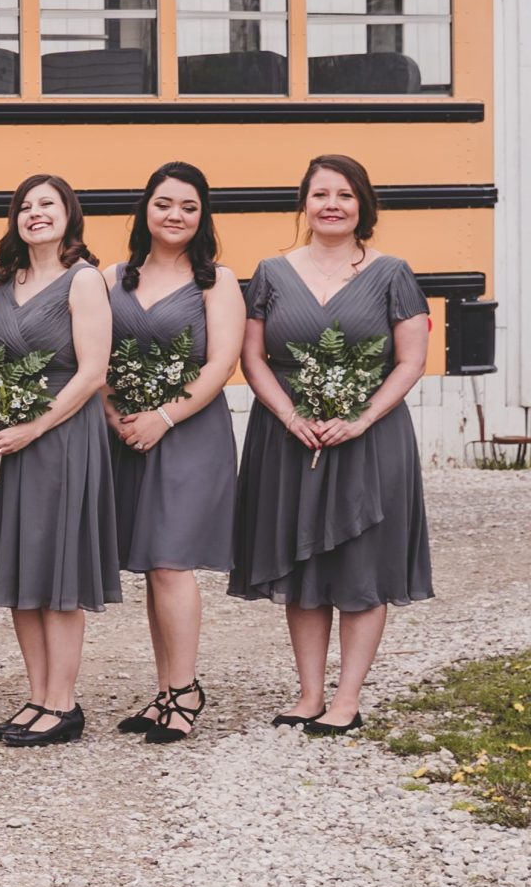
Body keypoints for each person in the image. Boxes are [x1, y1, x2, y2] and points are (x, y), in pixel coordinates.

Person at [230, 154, 433, 736]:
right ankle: (309, 693)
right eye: (321, 194)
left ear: (362, 205)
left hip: (368, 438)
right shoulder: (271, 271)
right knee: (304, 563)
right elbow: (252, 357)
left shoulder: (393, 273)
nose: (332, 205)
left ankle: (347, 698)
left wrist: (361, 419)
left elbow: (411, 360)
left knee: (362, 566)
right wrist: (290, 415)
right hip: (291, 437)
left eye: (344, 195)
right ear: (305, 203)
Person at [0, 174, 119, 748]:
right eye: (25, 206)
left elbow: (93, 373)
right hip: (9, 441)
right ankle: (36, 696)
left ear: (69, 215)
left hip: (61, 438)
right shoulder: (6, 280)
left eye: (47, 205)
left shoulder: (84, 282)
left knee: (58, 570)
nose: (34, 214)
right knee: (21, 568)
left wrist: (33, 425)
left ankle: (64, 703)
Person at [106, 162, 243, 744]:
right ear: (146, 210)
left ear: (202, 216)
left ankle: (186, 692)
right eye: (164, 203)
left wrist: (164, 417)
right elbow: (96, 352)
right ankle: (165, 691)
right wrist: (116, 413)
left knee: (170, 561)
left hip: (189, 433)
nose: (175, 215)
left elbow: (222, 364)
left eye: (188, 206)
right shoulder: (115, 278)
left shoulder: (218, 282)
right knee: (150, 566)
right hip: (128, 432)